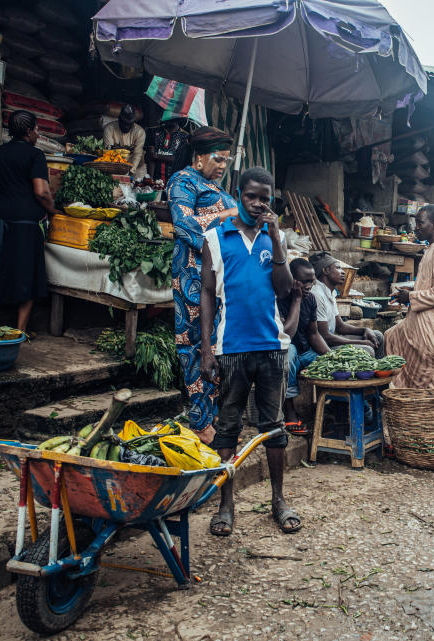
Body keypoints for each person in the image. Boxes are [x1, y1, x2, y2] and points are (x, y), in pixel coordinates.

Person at [198, 166, 301, 536]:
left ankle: (278, 500)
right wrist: (207, 348)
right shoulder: (215, 237)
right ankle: (226, 505)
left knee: (273, 429)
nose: (258, 204)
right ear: (238, 195)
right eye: (251, 196)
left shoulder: (275, 238)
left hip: (272, 347)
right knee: (228, 428)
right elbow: (207, 294)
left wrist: (276, 241)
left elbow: (285, 288)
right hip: (231, 349)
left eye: (265, 197)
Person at [167, 127, 237, 432]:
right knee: (193, 345)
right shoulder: (182, 181)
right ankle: (200, 421)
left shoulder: (217, 188)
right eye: (217, 159)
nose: (222, 166)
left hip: (220, 279)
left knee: (217, 345)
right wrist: (227, 216)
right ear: (198, 158)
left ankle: (214, 413)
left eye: (226, 160)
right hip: (193, 275)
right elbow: (184, 225)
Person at [0, 110, 63, 334]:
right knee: (27, 275)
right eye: (37, 129)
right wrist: (53, 210)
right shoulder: (35, 155)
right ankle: (20, 329)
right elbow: (41, 192)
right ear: (28, 132)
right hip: (26, 222)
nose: (38, 134)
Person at [385, 204, 434, 389]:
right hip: (420, 320)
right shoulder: (432, 248)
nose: (415, 227)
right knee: (392, 336)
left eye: (419, 223)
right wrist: (409, 291)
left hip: (431, 324)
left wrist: (410, 297)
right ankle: (411, 402)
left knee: (430, 372)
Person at [278, 258, 329, 431]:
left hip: (305, 354)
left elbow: (314, 334)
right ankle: (289, 411)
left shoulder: (311, 299)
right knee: (289, 352)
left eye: (311, 281)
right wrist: (297, 300)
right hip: (285, 353)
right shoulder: (280, 299)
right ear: (291, 279)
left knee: (330, 362)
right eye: (304, 281)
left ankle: (330, 410)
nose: (308, 286)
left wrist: (331, 356)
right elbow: (285, 334)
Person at [310, 253, 385, 357]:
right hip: (324, 347)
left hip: (331, 340)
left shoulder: (330, 292)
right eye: (338, 268)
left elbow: (340, 327)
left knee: (377, 335)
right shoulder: (317, 295)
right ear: (325, 270)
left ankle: (379, 371)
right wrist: (361, 343)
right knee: (367, 350)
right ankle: (368, 372)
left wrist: (365, 330)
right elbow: (325, 337)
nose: (343, 272)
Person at [102, 105, 146, 179]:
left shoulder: (140, 132)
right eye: (124, 123)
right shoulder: (109, 129)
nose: (126, 127)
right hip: (115, 166)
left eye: (129, 124)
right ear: (119, 119)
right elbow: (109, 153)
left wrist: (130, 171)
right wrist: (120, 172)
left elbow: (137, 154)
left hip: (136, 167)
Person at [147, 117, 189, 184]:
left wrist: (157, 156)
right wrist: (150, 179)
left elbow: (179, 160)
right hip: (155, 180)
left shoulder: (185, 136)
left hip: (174, 181)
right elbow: (150, 157)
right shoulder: (154, 131)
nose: (170, 117)